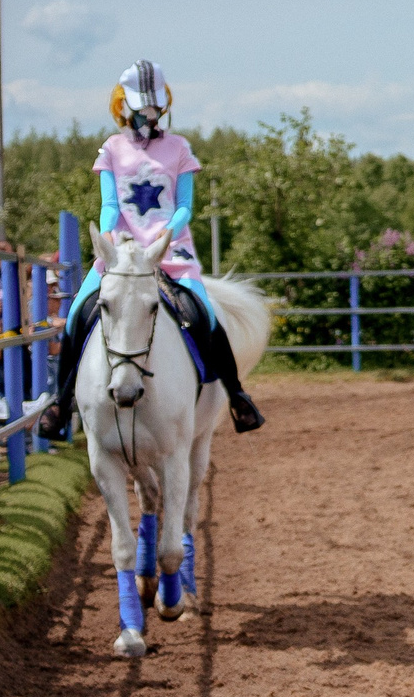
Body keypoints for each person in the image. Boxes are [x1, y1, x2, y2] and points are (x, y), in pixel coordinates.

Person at [49, 61, 263, 438]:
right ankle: (62, 402)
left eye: (152, 110)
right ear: (124, 108)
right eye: (140, 110)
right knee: (76, 316)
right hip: (120, 253)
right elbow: (110, 204)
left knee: (206, 316)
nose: (147, 117)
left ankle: (237, 397)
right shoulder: (111, 149)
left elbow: (184, 206)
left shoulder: (179, 148)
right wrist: (109, 235)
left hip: (171, 250)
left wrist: (164, 234)